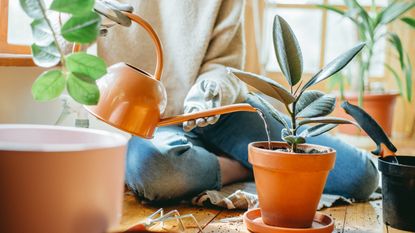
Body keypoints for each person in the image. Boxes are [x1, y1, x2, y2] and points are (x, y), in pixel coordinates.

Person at [98, 0, 379, 202]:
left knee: (360, 176)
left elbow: (226, 64)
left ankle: (225, 162)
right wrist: (77, 18)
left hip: (223, 111)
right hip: (155, 123)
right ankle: (245, 167)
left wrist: (210, 91)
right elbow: (56, 52)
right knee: (153, 170)